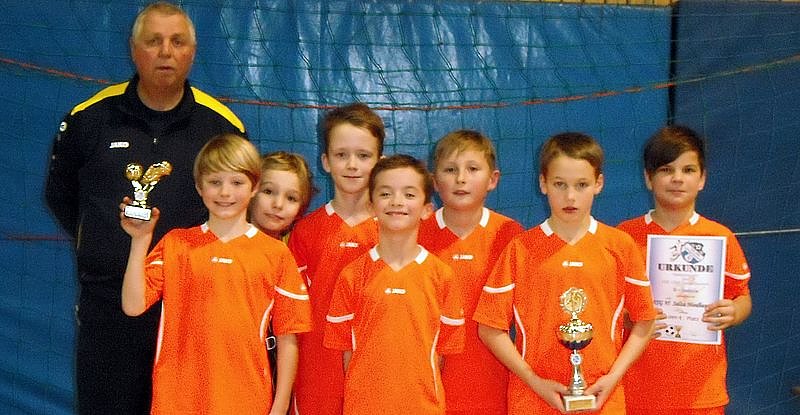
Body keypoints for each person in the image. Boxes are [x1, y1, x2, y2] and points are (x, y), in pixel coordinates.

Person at [43, 2, 246, 413]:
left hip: (191, 309)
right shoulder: (89, 118)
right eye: (153, 41)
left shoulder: (221, 127)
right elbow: (61, 195)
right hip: (108, 308)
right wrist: (106, 245)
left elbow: (238, 210)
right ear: (134, 50)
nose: (166, 52)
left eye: (177, 42)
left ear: (193, 52)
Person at [119, 133, 311, 414]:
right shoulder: (176, 243)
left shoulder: (276, 254)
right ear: (199, 186)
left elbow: (288, 338)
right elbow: (133, 305)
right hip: (177, 402)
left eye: (236, 182)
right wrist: (140, 241)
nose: (225, 193)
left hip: (245, 401)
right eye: (215, 182)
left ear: (254, 186)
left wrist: (280, 406)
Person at [473, 132, 657, 414]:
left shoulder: (620, 246)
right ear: (543, 183)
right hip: (532, 402)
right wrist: (534, 381)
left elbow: (645, 321)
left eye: (581, 185)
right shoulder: (520, 249)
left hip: (602, 401)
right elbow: (489, 327)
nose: (570, 196)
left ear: (598, 184)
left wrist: (612, 378)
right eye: (560, 184)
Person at [619, 125, 752, 415]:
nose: (677, 178)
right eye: (666, 169)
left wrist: (734, 311)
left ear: (702, 179)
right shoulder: (623, 237)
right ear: (648, 178)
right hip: (636, 391)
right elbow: (609, 306)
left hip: (702, 392)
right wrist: (628, 320)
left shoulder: (719, 237)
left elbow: (742, 297)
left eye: (688, 170)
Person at [324, 154, 466, 414]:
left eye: (409, 194)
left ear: (427, 209)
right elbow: (347, 354)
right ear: (371, 205)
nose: (397, 202)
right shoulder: (352, 275)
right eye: (386, 193)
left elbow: (441, 355)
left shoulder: (442, 277)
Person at [418, 129, 524, 415]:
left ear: (493, 179)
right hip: (428, 389)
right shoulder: (416, 235)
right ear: (434, 181)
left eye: (472, 169)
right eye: (450, 170)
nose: (461, 179)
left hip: (495, 386)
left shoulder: (510, 235)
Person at [287, 102, 384, 414]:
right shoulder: (305, 231)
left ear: (380, 162)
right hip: (317, 374)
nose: (352, 165)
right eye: (342, 155)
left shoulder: (397, 231)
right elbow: (291, 315)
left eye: (364, 156)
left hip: (380, 374)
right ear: (326, 161)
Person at [250, 151, 317, 241]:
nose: (278, 204)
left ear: (300, 209)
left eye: (291, 198)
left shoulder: (296, 247)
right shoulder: (231, 243)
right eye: (268, 191)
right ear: (250, 193)